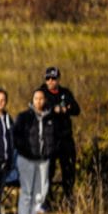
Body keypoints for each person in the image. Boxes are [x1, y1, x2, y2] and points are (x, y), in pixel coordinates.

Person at [12, 88, 56, 214]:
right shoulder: (24, 117)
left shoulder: (50, 117)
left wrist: (50, 151)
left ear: (45, 100)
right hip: (26, 159)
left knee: (39, 194)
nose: (39, 101)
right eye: (36, 98)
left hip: (43, 160)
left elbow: (55, 137)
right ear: (32, 100)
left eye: (41, 98)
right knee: (27, 193)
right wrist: (24, 150)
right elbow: (15, 136)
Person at [37, 66, 80, 203]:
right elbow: (36, 109)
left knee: (68, 169)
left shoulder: (65, 92)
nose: (50, 81)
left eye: (53, 78)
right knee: (48, 170)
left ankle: (68, 197)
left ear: (58, 79)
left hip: (65, 138)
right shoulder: (41, 92)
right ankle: (48, 200)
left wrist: (66, 109)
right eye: (48, 78)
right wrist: (53, 110)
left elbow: (76, 109)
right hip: (49, 139)